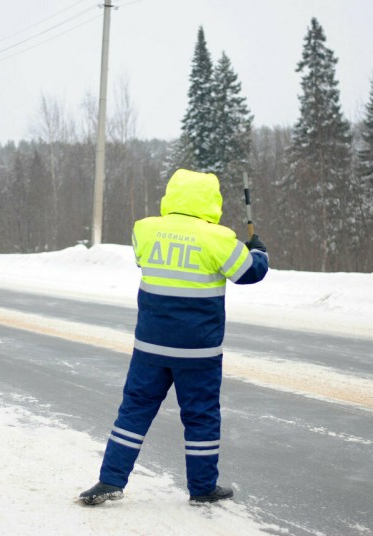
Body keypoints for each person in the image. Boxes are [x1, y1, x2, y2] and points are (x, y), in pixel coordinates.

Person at [80, 168, 269, 505]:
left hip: (150, 347)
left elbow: (142, 259)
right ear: (211, 201)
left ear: (171, 195)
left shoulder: (146, 230)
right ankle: (202, 488)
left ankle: (109, 480)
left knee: (133, 412)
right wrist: (258, 252)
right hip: (198, 353)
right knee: (200, 417)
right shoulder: (219, 238)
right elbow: (248, 273)